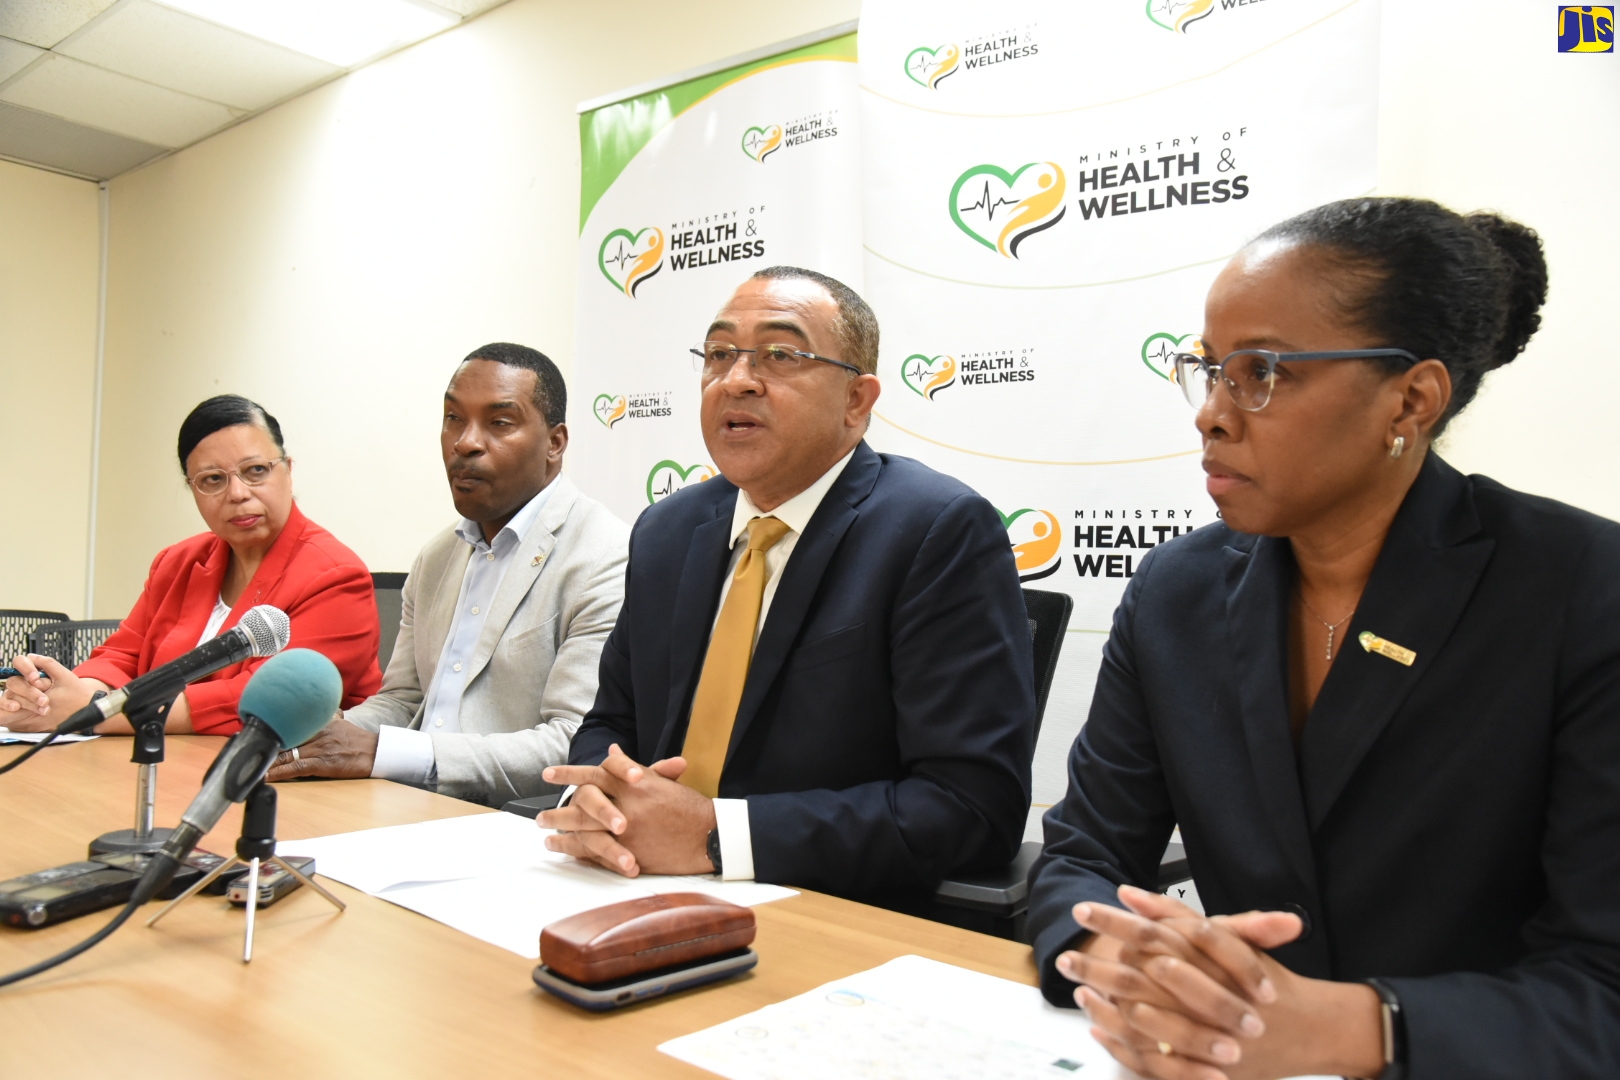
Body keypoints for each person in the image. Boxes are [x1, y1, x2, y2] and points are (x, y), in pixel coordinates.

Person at [1028, 197, 1620, 1079]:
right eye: (1210, 370)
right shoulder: (1176, 592)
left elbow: (1601, 986)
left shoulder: (1582, 587)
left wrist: (1354, 1027)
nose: (1213, 415)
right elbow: (1082, 855)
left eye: (1262, 371)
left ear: (1411, 399)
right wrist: (1115, 954)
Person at [538, 266, 1035, 905]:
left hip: (815, 905)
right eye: (719, 354)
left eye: (780, 354)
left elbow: (971, 807)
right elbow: (613, 720)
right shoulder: (668, 530)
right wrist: (598, 801)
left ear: (858, 400)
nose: (736, 379)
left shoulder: (935, 531)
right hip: (626, 884)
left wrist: (717, 836)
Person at [267, 343, 629, 806]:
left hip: (506, 825)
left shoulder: (605, 556)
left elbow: (571, 744)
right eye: (454, 418)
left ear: (554, 444)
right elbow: (401, 701)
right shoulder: (437, 556)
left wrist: (385, 753)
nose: (466, 442)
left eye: (499, 422)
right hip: (400, 804)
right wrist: (317, 743)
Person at [2, 395, 381, 735]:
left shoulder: (336, 576)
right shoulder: (178, 563)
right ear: (192, 488)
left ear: (287, 469)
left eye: (256, 471)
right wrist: (55, 695)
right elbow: (121, 657)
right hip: (166, 765)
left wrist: (98, 711)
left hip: (289, 783)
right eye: (213, 479)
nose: (237, 493)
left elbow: (255, 701)